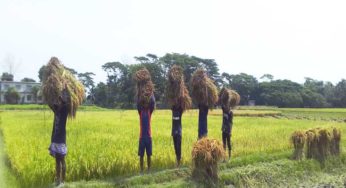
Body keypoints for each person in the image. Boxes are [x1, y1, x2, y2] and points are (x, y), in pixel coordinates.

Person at [48, 88, 69, 186]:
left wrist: (61, 93)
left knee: (62, 160)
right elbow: (51, 103)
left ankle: (63, 181)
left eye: (59, 101)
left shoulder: (64, 110)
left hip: (61, 139)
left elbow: (65, 102)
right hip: (55, 139)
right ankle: (58, 180)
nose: (58, 103)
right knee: (57, 161)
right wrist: (50, 92)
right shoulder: (57, 111)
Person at [137, 95, 155, 173]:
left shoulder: (149, 112)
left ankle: (149, 169)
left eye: (146, 104)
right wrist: (139, 94)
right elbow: (138, 104)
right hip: (142, 137)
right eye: (144, 104)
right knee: (141, 155)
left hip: (148, 136)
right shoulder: (140, 112)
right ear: (142, 104)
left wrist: (151, 94)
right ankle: (141, 170)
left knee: (149, 155)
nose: (145, 105)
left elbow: (153, 103)